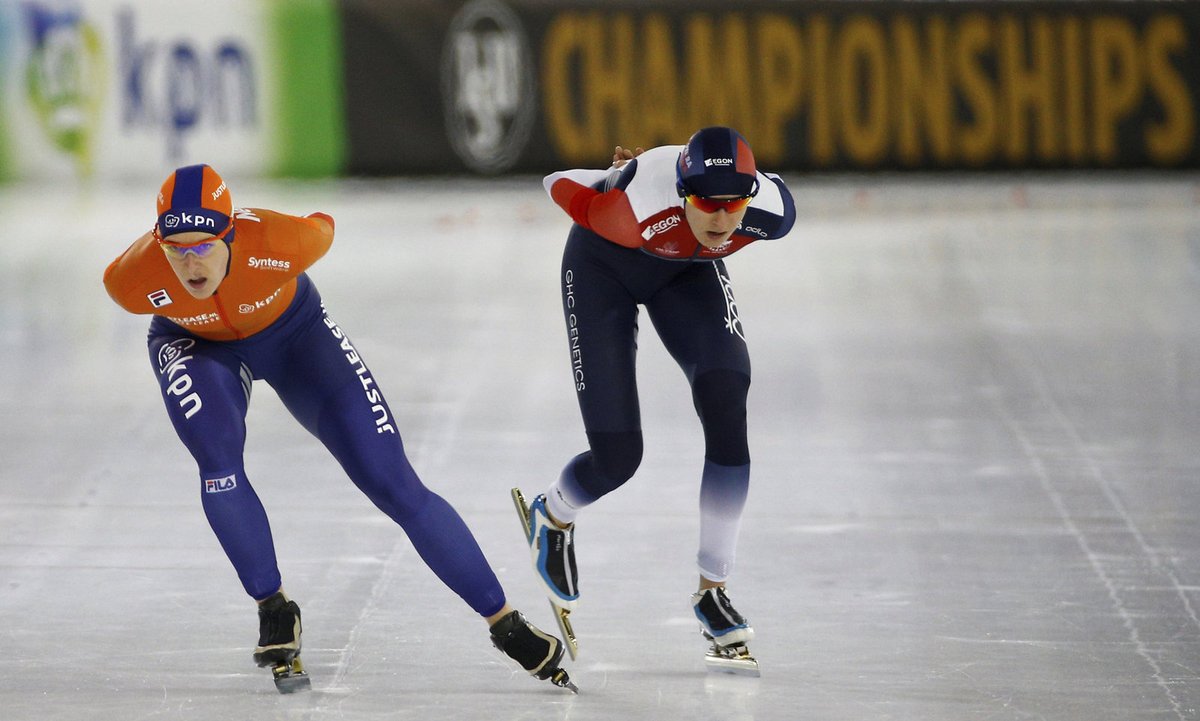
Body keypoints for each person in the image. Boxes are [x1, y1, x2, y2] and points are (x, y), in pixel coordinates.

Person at [103, 163, 575, 692]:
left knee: (392, 480)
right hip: (195, 346)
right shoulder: (133, 279)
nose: (191, 262)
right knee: (218, 459)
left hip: (296, 335)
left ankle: (505, 623)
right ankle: (273, 606)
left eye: (205, 244)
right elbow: (139, 277)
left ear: (231, 231)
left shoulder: (284, 241)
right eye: (176, 247)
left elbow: (324, 222)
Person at [518, 127, 795, 669]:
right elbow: (558, 181)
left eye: (733, 205)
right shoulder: (630, 209)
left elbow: (763, 194)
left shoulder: (772, 212)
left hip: (685, 272)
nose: (721, 220)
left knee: (726, 393)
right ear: (684, 192)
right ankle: (552, 513)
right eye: (706, 204)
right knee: (619, 458)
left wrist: (708, 217)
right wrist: (611, 180)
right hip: (604, 268)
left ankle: (713, 591)